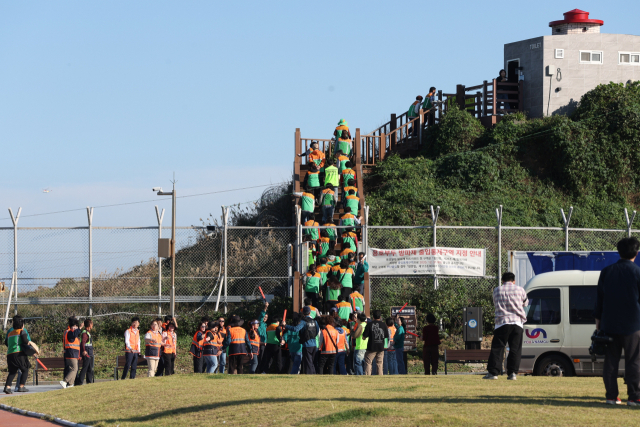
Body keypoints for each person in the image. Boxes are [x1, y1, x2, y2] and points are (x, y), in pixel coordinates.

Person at [594, 237, 640, 405]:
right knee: (634, 361)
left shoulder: (606, 272)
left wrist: (598, 325)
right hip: (633, 325)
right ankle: (635, 397)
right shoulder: (637, 272)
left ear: (618, 252)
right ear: (636, 252)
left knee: (610, 362)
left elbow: (599, 300)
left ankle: (611, 396)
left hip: (609, 324)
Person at [483, 272, 528, 380]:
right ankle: (512, 373)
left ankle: (493, 373)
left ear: (502, 281)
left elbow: (495, 303)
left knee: (498, 347)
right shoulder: (520, 289)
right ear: (514, 281)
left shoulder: (497, 290)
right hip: (517, 322)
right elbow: (525, 303)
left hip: (502, 322)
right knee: (515, 349)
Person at [284, 306, 319, 374]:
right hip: (314, 344)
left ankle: (310, 376)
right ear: (310, 312)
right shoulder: (315, 321)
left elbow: (296, 329)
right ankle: (313, 374)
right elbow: (317, 331)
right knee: (312, 362)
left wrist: (286, 326)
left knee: (308, 362)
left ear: (303, 313)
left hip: (306, 344)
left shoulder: (303, 322)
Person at [4, 315, 31, 394]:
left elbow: (6, 342)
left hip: (10, 354)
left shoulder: (10, 333)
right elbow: (25, 341)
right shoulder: (22, 331)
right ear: (22, 325)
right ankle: (21, 386)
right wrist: (29, 344)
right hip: (18, 353)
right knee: (25, 369)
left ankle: (7, 387)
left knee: (12, 371)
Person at [363, 310, 389, 375]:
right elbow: (386, 336)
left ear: (373, 317)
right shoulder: (383, 325)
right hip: (380, 347)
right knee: (379, 363)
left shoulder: (369, 324)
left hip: (371, 347)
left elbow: (364, 337)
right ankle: (380, 377)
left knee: (368, 362)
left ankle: (367, 376)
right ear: (380, 317)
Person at [60, 317, 81, 389]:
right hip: (71, 354)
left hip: (72, 354)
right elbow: (75, 334)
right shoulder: (69, 332)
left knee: (73, 369)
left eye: (76, 326)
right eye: (74, 326)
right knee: (74, 369)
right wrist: (80, 328)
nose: (75, 328)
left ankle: (70, 384)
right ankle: (65, 381)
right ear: (71, 326)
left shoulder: (69, 332)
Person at [75, 318, 94, 385]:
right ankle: (79, 382)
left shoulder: (88, 332)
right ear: (89, 325)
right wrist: (84, 351)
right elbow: (83, 342)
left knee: (89, 368)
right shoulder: (85, 333)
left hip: (89, 352)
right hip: (87, 353)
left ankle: (89, 381)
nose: (92, 325)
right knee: (85, 368)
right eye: (91, 324)